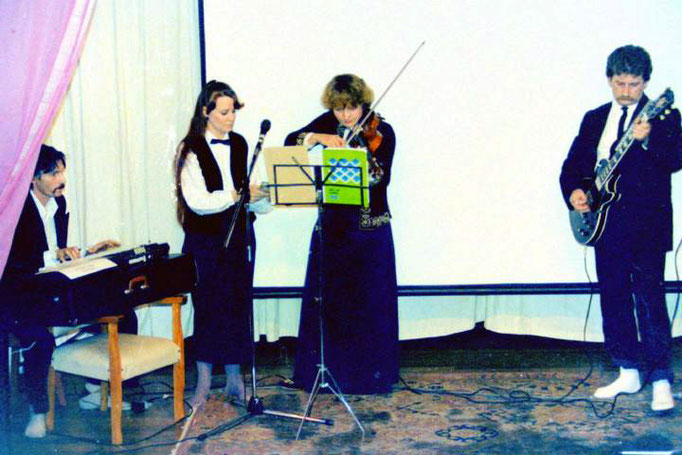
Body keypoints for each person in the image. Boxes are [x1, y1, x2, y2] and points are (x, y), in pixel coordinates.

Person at [560, 45, 682, 411]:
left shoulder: (664, 117)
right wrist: (577, 192)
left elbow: (675, 160)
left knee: (649, 300)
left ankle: (660, 378)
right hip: (606, 227)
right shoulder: (595, 118)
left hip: (646, 226)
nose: (626, 91)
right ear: (609, 80)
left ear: (646, 82)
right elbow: (573, 164)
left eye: (633, 84)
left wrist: (647, 139)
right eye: (619, 83)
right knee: (613, 297)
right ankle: (628, 369)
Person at [284, 74, 399, 394]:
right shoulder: (327, 122)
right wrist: (318, 137)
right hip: (333, 228)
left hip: (368, 230)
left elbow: (379, 178)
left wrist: (358, 148)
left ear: (364, 103)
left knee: (368, 304)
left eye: (352, 108)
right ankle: (325, 374)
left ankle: (368, 378)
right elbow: (291, 139)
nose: (346, 116)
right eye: (339, 109)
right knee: (330, 304)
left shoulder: (383, 131)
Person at [1, 145, 125, 438]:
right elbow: (16, 261)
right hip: (18, 293)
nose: (61, 178)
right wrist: (57, 254)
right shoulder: (16, 208)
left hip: (48, 286)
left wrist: (86, 252)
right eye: (53, 173)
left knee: (118, 307)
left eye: (61, 171)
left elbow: (56, 251)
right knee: (40, 339)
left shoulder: (60, 204)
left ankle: (99, 390)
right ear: (34, 178)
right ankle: (37, 411)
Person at [174, 80, 271, 407]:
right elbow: (197, 200)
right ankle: (202, 383)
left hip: (238, 239)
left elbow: (244, 196)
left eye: (233, 112)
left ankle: (234, 380)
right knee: (209, 309)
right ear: (206, 112)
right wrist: (235, 195)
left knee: (236, 308)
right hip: (206, 242)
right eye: (224, 112)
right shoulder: (190, 148)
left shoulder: (241, 144)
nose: (231, 118)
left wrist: (260, 198)